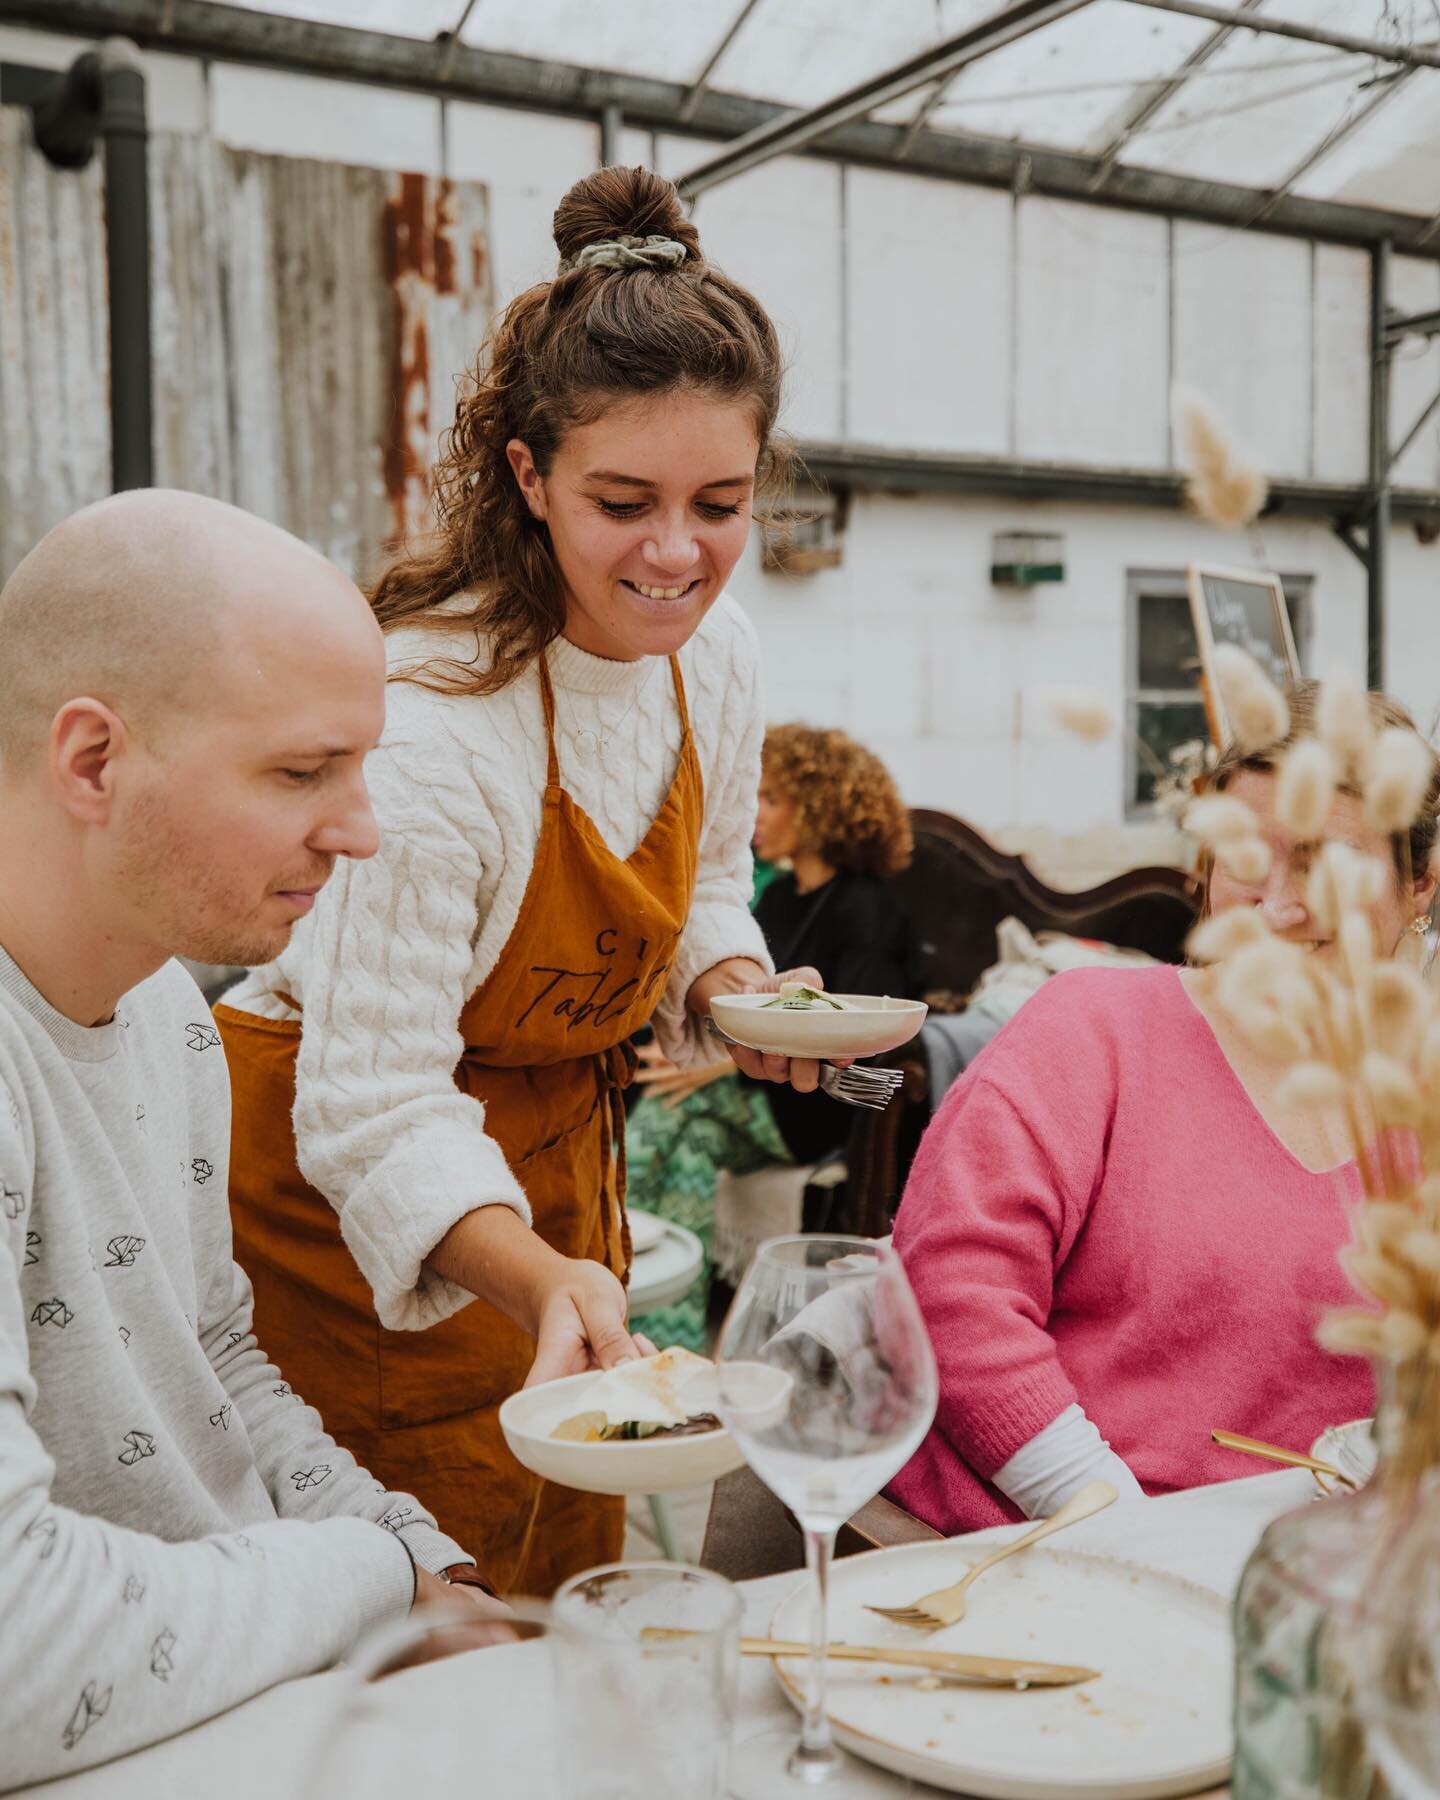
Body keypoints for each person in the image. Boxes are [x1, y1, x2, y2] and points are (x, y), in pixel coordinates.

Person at [216, 166, 828, 1595]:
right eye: (624, 502)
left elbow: (707, 884)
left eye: (720, 503)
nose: (679, 554)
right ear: (528, 476)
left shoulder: (715, 658)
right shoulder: (435, 727)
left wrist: (735, 989)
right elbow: (370, 1101)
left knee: (576, 1581)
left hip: (556, 1169)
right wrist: (543, 1278)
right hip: (342, 1205)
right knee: (426, 1617)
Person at [0, 492, 513, 1790]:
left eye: (360, 765)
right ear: (94, 762)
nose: (362, 828)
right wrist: (369, 1575)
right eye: (301, 772)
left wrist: (419, 1556)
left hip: (241, 1708)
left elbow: (211, 1357)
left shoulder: (174, 1006)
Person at [890, 681, 1433, 1535]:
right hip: (1043, 1555)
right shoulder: (1095, 1030)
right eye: (1249, 859)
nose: (1279, 908)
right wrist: (1122, 1526)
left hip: (1324, 1587)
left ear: (1421, 885)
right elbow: (952, 1296)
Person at [628, 724, 914, 1349]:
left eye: (772, 798)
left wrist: (712, 1065)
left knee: (658, 1118)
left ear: (821, 804)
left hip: (814, 1102)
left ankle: (615, 1288)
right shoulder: (779, 896)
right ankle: (669, 1337)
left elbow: (858, 1029)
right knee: (689, 1143)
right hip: (757, 1095)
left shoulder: (865, 907)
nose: (753, 812)